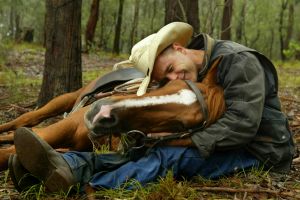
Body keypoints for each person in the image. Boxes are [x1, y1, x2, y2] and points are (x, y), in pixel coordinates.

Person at [9, 22, 294, 193]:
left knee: (171, 156)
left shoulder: (237, 62)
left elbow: (242, 126)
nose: (173, 79)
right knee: (147, 149)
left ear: (181, 49)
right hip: (230, 141)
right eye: (164, 78)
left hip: (258, 151)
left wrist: (180, 141)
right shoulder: (200, 69)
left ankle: (90, 188)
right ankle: (66, 165)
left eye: (171, 68)